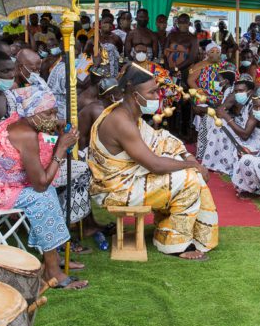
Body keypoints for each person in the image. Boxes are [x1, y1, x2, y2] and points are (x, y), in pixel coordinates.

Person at [0, 85, 88, 289]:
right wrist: (61, 147)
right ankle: (51, 270)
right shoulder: (25, 133)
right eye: (48, 113)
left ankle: (52, 256)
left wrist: (58, 142)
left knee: (46, 192)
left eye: (54, 112)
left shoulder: (22, 123)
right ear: (32, 113)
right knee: (42, 196)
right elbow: (41, 183)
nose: (54, 118)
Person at [89, 64, 218, 259]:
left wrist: (187, 156)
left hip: (124, 181)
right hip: (116, 190)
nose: (157, 96)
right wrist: (192, 164)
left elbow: (161, 138)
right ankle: (175, 244)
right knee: (189, 179)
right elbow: (155, 165)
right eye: (152, 92)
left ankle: (167, 229)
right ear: (134, 95)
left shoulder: (130, 115)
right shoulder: (122, 121)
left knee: (180, 165)